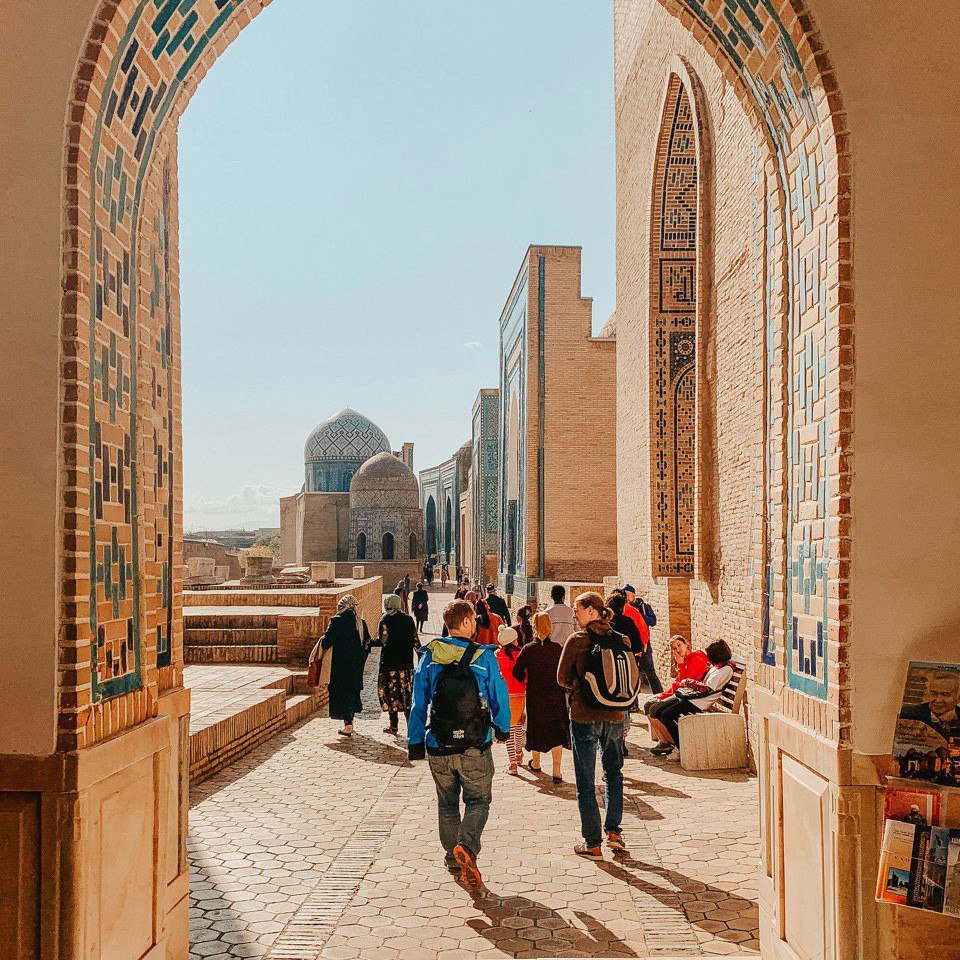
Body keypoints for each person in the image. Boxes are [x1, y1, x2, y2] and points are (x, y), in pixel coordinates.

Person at [408, 599, 512, 888]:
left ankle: (454, 858)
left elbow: (418, 703)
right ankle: (466, 846)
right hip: (475, 743)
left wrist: (415, 742)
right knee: (478, 800)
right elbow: (499, 698)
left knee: (447, 803)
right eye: (473, 621)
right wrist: (503, 729)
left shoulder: (429, 656)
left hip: (438, 743)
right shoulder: (484, 657)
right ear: (465, 622)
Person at [557, 592, 630, 860]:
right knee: (614, 774)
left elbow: (562, 678)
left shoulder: (577, 641)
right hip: (615, 716)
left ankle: (592, 843)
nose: (574, 615)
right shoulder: (621, 640)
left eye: (577, 609)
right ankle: (614, 833)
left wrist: (582, 685)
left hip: (585, 716)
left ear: (591, 610)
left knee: (586, 781)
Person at [650, 640, 735, 756]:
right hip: (693, 697)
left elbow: (706, 688)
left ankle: (680, 748)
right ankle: (676, 744)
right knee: (659, 711)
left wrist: (689, 682)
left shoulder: (725, 670)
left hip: (700, 702)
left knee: (667, 715)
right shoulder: (719, 667)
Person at [513, 611, 569, 782]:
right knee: (556, 730)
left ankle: (536, 763)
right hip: (555, 694)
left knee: (536, 728)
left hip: (535, 693)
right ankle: (557, 771)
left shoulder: (528, 649)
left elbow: (517, 671)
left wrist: (526, 679)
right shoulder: (558, 649)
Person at [644, 636, 710, 748]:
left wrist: (680, 665)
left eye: (679, 645)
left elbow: (685, 684)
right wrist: (663, 694)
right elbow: (679, 682)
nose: (677, 650)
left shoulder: (696, 660)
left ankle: (670, 743)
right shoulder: (686, 660)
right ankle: (664, 740)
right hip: (681, 694)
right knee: (648, 705)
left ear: (687, 644)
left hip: (690, 697)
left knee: (653, 708)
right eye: (674, 648)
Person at [320, 595, 371, 737]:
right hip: (356, 665)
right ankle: (350, 722)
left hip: (340, 665)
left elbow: (327, 642)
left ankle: (347, 725)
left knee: (341, 693)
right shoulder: (360, 622)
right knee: (351, 692)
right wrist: (361, 658)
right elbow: (367, 642)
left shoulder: (336, 620)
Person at [372, 593, 420, 735]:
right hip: (406, 665)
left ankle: (394, 726)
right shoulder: (409, 620)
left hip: (390, 664)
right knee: (406, 696)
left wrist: (368, 642)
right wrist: (422, 656)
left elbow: (382, 641)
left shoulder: (385, 619)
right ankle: (411, 728)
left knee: (392, 695)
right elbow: (416, 641)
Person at [616, 588, 662, 694]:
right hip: (631, 644)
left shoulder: (644, 607)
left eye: (629, 595)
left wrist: (639, 616)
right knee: (632, 673)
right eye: (625, 595)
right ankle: (634, 702)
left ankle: (659, 695)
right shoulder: (623, 609)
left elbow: (652, 621)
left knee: (650, 672)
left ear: (633, 595)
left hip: (644, 644)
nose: (627, 598)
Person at [494, 626, 527, 774]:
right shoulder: (521, 653)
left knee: (509, 727)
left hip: (505, 695)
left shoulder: (498, 655)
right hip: (520, 694)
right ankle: (519, 754)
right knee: (518, 726)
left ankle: (512, 762)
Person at [900, 672, 960, 740]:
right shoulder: (907, 714)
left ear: (958, 698)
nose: (938, 700)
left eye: (945, 694)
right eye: (934, 694)